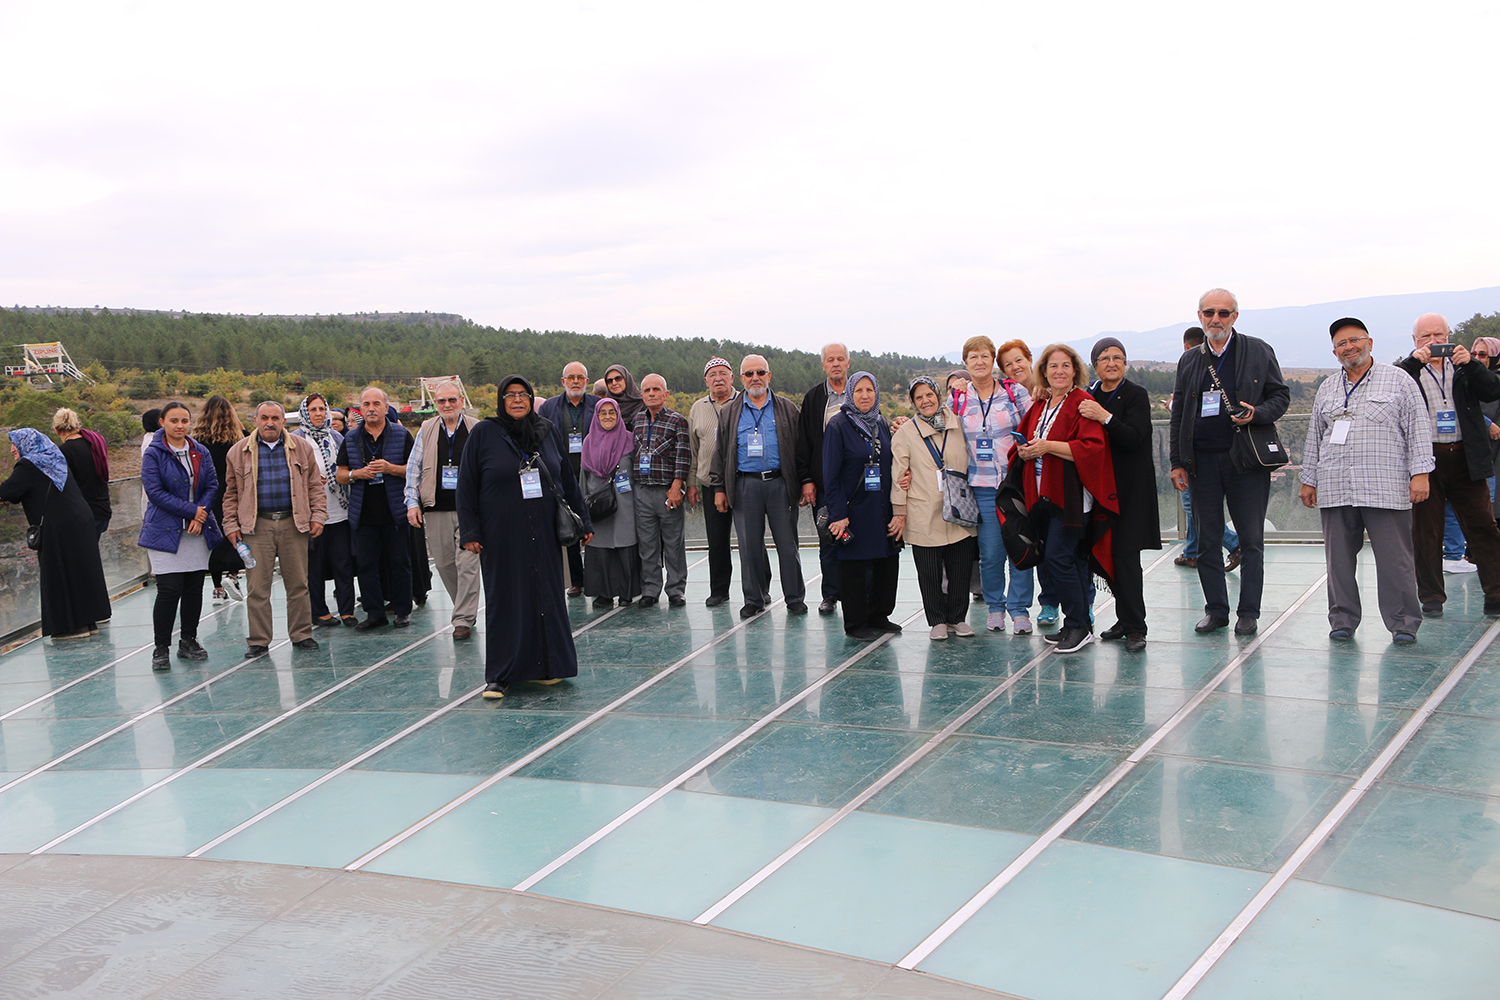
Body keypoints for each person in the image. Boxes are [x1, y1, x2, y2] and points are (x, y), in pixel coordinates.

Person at [458, 375, 592, 699]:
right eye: (510, 394)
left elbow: (567, 478)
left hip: (543, 531)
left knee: (547, 598)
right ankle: (501, 675)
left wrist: (583, 520)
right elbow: (466, 486)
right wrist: (470, 531)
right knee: (506, 601)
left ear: (532, 399)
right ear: (501, 400)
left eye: (523, 394)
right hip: (501, 534)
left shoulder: (546, 431)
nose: (517, 400)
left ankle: (549, 666)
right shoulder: (483, 434)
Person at [1301, 318, 1433, 643]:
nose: (1349, 347)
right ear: (1335, 352)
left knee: (1396, 561)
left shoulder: (1398, 380)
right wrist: (1308, 479)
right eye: (1342, 344)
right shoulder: (1328, 388)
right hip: (1335, 487)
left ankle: (1403, 623)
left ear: (1369, 342)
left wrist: (1421, 474)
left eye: (1354, 340)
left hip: (1385, 487)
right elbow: (1314, 436)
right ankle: (1342, 620)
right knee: (1339, 563)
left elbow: (1418, 429)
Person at [1169, 288, 1290, 636]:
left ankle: (1248, 612)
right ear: (1200, 317)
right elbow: (1179, 413)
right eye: (1209, 313)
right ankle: (1216, 611)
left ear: (1235, 316)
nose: (1216, 320)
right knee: (1207, 540)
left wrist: (1257, 413)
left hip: (1246, 462)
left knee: (1251, 539)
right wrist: (1178, 461)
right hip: (1202, 463)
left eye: (1223, 313)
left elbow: (1280, 395)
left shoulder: (1257, 350)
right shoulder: (1190, 359)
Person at [1014, 345, 1118, 654]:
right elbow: (1030, 439)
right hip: (1043, 494)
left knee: (1060, 559)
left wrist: (1046, 447)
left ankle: (1079, 626)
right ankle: (1073, 622)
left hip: (1070, 498)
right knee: (1064, 560)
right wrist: (1026, 450)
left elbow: (1090, 449)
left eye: (1065, 366)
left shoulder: (1082, 402)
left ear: (1075, 370)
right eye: (1053, 366)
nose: (1059, 371)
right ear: (1043, 371)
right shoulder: (1042, 404)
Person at [1396, 313, 1500, 616]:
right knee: (1426, 532)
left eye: (1438, 335)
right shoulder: (1408, 371)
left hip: (1466, 455)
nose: (1433, 342)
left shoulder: (1465, 366)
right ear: (1415, 341)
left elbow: (1493, 390)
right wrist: (1416, 361)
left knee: (1483, 526)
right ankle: (1431, 597)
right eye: (1425, 337)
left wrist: (1470, 363)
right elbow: (1392, 392)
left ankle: (1495, 593)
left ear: (1449, 335)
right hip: (1425, 459)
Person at [223, 401, 326, 658]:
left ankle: (302, 634)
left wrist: (319, 517)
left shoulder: (301, 448)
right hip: (256, 527)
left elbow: (315, 485)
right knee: (257, 587)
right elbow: (231, 494)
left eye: (275, 418)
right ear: (255, 420)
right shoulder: (237, 452)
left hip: (294, 523)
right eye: (265, 418)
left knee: (298, 584)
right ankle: (259, 640)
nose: (270, 423)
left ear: (283, 421)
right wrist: (231, 525)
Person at [1078, 338, 1161, 651]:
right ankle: (1124, 619)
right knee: (1104, 556)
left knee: (1126, 559)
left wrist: (1104, 417)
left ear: (1125, 364)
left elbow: (1136, 437)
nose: (1111, 363)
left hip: (1129, 493)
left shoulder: (1136, 395)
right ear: (1095, 365)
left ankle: (1136, 627)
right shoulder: (1089, 395)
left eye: (1118, 358)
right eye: (1104, 358)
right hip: (1098, 490)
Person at [708, 354, 807, 617]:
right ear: (741, 379)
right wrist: (719, 488)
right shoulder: (730, 411)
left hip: (780, 485)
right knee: (749, 547)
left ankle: (795, 597)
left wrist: (806, 482)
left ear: (769, 376)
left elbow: (801, 451)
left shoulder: (787, 408)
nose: (755, 378)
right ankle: (754, 599)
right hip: (745, 487)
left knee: (788, 545)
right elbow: (720, 453)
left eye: (760, 373)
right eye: (749, 374)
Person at [1, 428, 111, 641]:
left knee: (59, 573)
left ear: (26, 444)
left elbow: (7, 491)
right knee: (80, 571)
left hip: (59, 525)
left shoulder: (28, 464)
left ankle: (70, 628)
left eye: (15, 444)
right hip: (80, 519)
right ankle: (88, 622)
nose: (12, 449)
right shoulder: (52, 458)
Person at [891, 376, 977, 639]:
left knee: (961, 567)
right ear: (913, 402)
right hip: (923, 509)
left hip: (959, 505)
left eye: (929, 395)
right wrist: (900, 512)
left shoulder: (958, 423)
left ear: (938, 395)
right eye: (919, 397)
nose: (925, 401)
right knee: (928, 570)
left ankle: (957, 617)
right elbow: (899, 473)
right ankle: (937, 619)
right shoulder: (906, 432)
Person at [138, 402, 221, 667]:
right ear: (162, 422)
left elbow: (212, 484)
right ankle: (161, 647)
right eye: (174, 420)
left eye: (185, 420)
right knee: (169, 589)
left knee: (194, 587)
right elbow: (155, 492)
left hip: (197, 529)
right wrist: (192, 512)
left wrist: (201, 513)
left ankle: (189, 640)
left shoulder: (200, 450)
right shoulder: (154, 453)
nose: (180, 426)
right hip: (165, 529)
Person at [823, 372, 901, 640]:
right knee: (853, 567)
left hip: (881, 506)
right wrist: (838, 515)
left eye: (870, 390)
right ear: (850, 394)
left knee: (886, 563)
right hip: (853, 509)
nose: (865, 395)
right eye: (859, 391)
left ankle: (879, 615)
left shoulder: (880, 421)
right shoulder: (838, 425)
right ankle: (856, 623)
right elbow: (830, 476)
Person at [964, 336, 1032, 632]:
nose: (979, 362)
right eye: (972, 357)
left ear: (992, 360)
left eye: (984, 356)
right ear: (965, 363)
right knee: (990, 553)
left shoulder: (1014, 392)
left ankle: (1020, 609)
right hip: (980, 485)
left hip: (1014, 483)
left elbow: (1035, 423)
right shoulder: (958, 399)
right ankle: (995, 606)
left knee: (1020, 547)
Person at [405, 381, 482, 638]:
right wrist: (412, 502)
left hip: (470, 509)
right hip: (435, 508)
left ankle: (463, 619)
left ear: (461, 400)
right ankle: (464, 608)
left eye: (452, 400)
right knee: (445, 564)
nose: (447, 405)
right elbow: (413, 469)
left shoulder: (476, 428)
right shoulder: (426, 429)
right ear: (435, 404)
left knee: (468, 563)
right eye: (441, 401)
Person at [338, 386, 415, 630]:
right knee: (366, 566)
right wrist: (356, 473)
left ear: (385, 407)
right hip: (363, 513)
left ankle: (402, 610)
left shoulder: (402, 435)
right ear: (360, 409)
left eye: (376, 404)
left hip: (395, 511)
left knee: (400, 563)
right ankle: (374, 613)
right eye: (366, 404)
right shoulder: (350, 438)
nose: (371, 408)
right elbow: (339, 474)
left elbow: (415, 471)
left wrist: (391, 468)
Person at [1172, 328, 1241, 570]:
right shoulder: (1195, 371)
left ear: (1187, 347)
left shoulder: (1196, 367)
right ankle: (1192, 552)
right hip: (1192, 455)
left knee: (1195, 508)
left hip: (1199, 457)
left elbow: (1185, 415)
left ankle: (1234, 544)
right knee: (1192, 509)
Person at [796, 343, 852, 614]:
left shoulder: (860, 394)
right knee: (829, 540)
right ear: (823, 365)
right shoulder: (814, 398)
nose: (836, 364)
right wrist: (807, 480)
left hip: (858, 485)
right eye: (830, 360)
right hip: (825, 484)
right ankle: (830, 594)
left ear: (848, 362)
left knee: (857, 539)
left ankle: (858, 593)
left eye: (840, 359)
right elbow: (803, 443)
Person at [630, 373, 691, 607]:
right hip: (642, 491)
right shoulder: (637, 421)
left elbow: (683, 457)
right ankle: (650, 590)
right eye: (647, 390)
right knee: (647, 545)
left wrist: (676, 487)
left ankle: (676, 590)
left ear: (666, 394)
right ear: (642, 395)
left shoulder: (678, 421)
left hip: (668, 492)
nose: (652, 393)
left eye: (656, 389)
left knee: (674, 544)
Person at [296, 393, 356, 628]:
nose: (319, 413)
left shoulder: (337, 437)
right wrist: (310, 480)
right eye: (313, 409)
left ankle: (347, 610)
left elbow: (347, 466)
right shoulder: (297, 439)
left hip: (339, 511)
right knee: (315, 568)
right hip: (312, 516)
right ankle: (318, 611)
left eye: (322, 408)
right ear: (305, 413)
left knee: (343, 564)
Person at [538, 362, 597, 595]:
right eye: (571, 377)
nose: (575, 381)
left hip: (593, 475)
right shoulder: (548, 408)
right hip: (562, 475)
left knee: (595, 525)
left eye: (580, 377)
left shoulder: (598, 405)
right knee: (569, 525)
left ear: (587, 381)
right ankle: (577, 580)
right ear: (563, 381)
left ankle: (597, 579)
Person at [579, 398, 641, 607]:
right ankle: (603, 593)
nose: (607, 416)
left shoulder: (629, 440)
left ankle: (626, 592)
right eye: (602, 413)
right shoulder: (588, 441)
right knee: (600, 548)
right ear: (596, 417)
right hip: (598, 505)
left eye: (611, 412)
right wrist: (583, 510)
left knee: (624, 547)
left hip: (625, 504)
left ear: (618, 415)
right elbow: (583, 477)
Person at [687, 357, 738, 605]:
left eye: (723, 373)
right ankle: (719, 591)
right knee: (716, 541)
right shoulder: (697, 408)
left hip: (741, 483)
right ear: (706, 380)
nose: (718, 378)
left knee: (752, 539)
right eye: (712, 374)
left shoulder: (744, 401)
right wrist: (691, 483)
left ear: (732, 377)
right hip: (708, 484)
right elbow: (693, 449)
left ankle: (760, 587)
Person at [195, 395, 247, 605]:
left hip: (209, 494)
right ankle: (232, 575)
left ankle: (217, 588)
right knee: (235, 533)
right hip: (234, 492)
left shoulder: (198, 441)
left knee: (214, 539)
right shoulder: (239, 439)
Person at [52, 408, 111, 537]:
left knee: (80, 556)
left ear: (56, 430)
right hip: (102, 509)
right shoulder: (95, 443)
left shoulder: (63, 451)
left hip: (82, 514)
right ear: (77, 425)